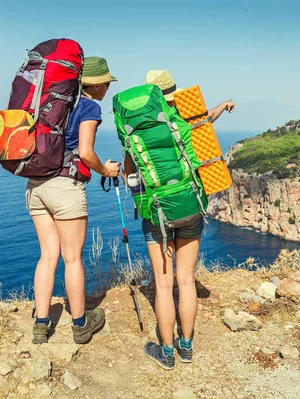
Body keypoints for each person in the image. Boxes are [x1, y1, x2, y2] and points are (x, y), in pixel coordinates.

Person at [127, 69, 234, 369]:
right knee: (186, 281)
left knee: (163, 285)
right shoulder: (187, 123)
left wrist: (142, 199)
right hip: (189, 208)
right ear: (174, 95)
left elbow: (129, 175)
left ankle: (167, 352)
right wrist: (223, 105)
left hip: (158, 212)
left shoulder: (138, 131)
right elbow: (206, 119)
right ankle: (186, 346)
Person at [27, 56, 120, 345]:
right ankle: (80, 324)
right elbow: (86, 151)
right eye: (106, 83)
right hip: (65, 187)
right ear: (98, 84)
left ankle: (41, 326)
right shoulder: (89, 106)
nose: (107, 88)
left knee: (47, 256)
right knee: (72, 258)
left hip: (36, 185)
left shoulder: (50, 100)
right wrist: (106, 170)